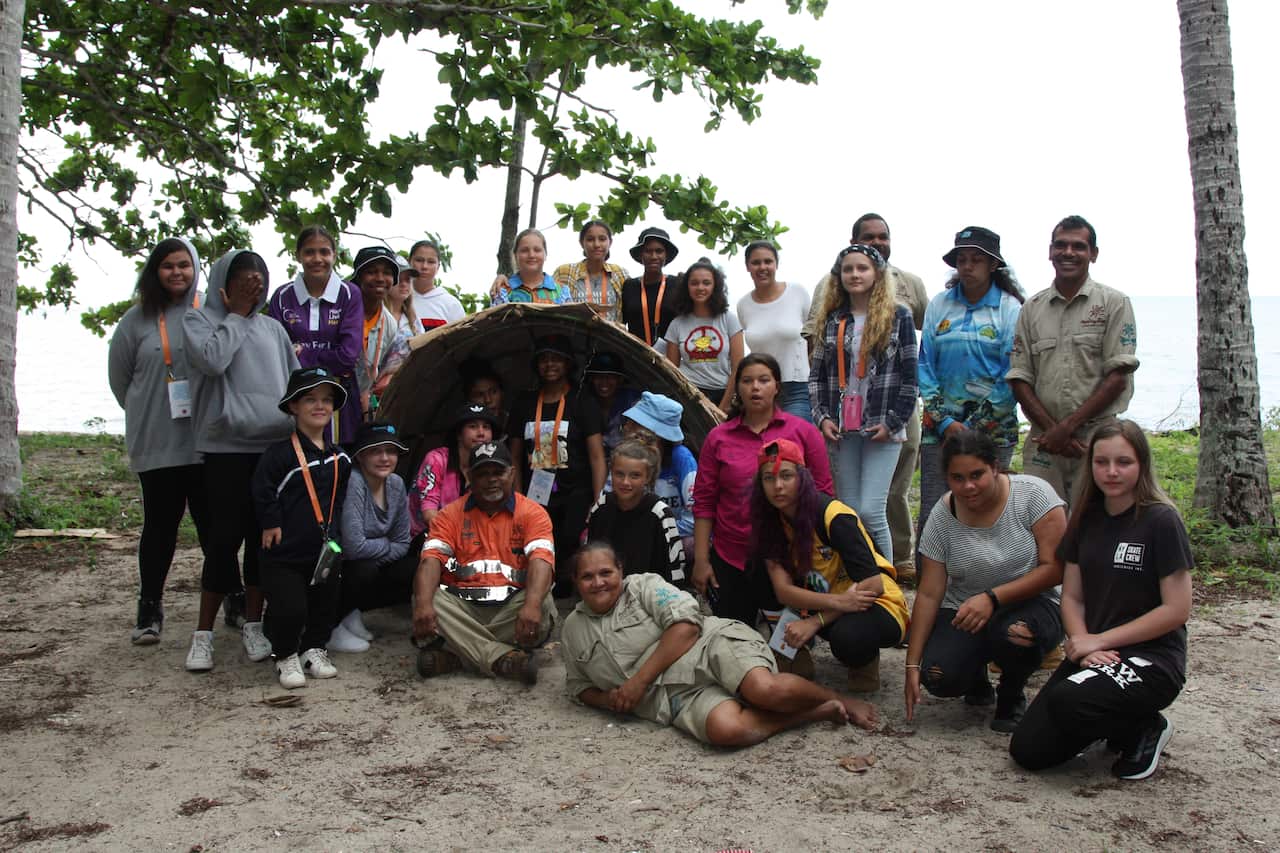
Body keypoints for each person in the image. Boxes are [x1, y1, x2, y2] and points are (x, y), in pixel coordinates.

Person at [1009, 421, 1192, 779]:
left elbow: (1176, 609)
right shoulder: (1084, 518)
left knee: (1069, 701)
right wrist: (1082, 644)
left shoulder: (1161, 520)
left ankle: (1144, 727)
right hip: (1094, 650)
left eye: (1123, 462)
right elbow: (1073, 597)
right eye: (1101, 461)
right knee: (1028, 750)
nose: (1111, 472)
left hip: (1151, 658)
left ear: (1142, 464)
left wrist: (1101, 640)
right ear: (1090, 465)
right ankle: (1109, 714)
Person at [561, 542, 879, 746]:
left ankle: (839, 699)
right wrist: (609, 699)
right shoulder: (573, 629)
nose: (598, 582)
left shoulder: (644, 586)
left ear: (621, 571)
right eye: (587, 577)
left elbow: (687, 628)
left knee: (764, 691)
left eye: (606, 572)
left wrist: (636, 683)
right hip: (671, 694)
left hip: (709, 647)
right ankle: (815, 712)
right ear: (576, 582)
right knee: (727, 731)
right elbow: (578, 686)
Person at [904, 431, 1067, 733]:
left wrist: (993, 598)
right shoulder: (942, 515)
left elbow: (1055, 569)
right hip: (966, 606)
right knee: (938, 676)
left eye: (977, 474)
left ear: (995, 467)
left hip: (1032, 602)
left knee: (1016, 635)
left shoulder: (1034, 495)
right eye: (957, 478)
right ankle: (976, 679)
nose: (968, 486)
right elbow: (929, 592)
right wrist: (911, 664)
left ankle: (1012, 693)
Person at [183, 249, 299, 672]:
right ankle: (203, 635)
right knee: (222, 541)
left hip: (269, 449)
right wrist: (236, 314)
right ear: (223, 285)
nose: (254, 288)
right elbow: (212, 361)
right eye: (244, 281)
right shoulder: (199, 321)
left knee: (261, 540)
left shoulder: (273, 330)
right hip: (224, 450)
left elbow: (294, 385)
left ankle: (254, 623)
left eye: (259, 282)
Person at [803, 214, 930, 581]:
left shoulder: (898, 316)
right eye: (848, 269)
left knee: (873, 509)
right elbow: (818, 375)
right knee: (848, 509)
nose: (855, 275)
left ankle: (885, 582)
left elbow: (911, 375)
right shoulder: (832, 320)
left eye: (862, 268)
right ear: (839, 276)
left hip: (882, 425)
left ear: (877, 273)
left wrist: (894, 422)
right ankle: (856, 578)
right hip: (843, 427)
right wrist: (821, 416)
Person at [107, 237, 211, 645]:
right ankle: (149, 607)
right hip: (158, 440)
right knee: (160, 528)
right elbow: (120, 380)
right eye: (168, 266)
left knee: (213, 527)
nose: (177, 273)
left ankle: (234, 597)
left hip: (205, 441)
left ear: (196, 268)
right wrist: (145, 411)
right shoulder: (135, 320)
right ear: (155, 270)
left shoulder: (209, 312)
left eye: (184, 265)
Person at [751, 439, 909, 692]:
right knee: (753, 566)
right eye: (768, 478)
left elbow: (873, 585)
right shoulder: (769, 521)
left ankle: (863, 663)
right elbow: (783, 591)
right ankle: (792, 647)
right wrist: (838, 603)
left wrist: (815, 622)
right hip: (832, 599)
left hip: (876, 603)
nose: (777, 486)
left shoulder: (834, 516)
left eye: (786, 476)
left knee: (849, 639)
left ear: (802, 477)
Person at [691, 354, 832, 625]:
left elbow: (823, 494)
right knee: (732, 642)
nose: (755, 387)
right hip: (731, 555)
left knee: (789, 649)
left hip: (788, 555)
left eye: (763, 380)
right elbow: (704, 502)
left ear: (777, 386)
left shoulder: (803, 432)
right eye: (747, 381)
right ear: (737, 388)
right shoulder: (718, 437)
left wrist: (813, 556)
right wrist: (701, 560)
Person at [1008, 215, 1140, 504]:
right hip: (1044, 444)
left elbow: (1118, 377)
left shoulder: (1114, 303)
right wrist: (1053, 432)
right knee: (1041, 524)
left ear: (1093, 254)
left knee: (1095, 521)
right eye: (1061, 245)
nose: (1068, 253)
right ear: (1050, 251)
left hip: (1096, 440)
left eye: (1078, 246)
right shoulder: (1031, 308)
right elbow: (1020, 377)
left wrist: (1066, 429)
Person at [413, 441, 557, 684]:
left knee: (542, 603)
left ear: (511, 473)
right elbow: (430, 561)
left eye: (498, 472)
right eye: (482, 473)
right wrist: (424, 605)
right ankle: (502, 658)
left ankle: (457, 654)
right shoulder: (449, 515)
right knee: (428, 599)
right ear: (469, 476)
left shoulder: (533, 513)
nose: (491, 480)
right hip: (464, 609)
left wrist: (531, 605)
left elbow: (542, 560)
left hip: (512, 610)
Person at [916, 226, 1024, 548]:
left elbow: (1012, 372)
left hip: (993, 430)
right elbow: (925, 365)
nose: (967, 266)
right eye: (961, 259)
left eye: (977, 259)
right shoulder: (939, 305)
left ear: (993, 265)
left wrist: (973, 429)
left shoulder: (1010, 309)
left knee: (989, 507)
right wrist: (946, 422)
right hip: (940, 430)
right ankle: (931, 588)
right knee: (935, 510)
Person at [252, 368, 353, 688]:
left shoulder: (341, 458)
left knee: (324, 605)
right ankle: (285, 655)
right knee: (290, 608)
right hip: (285, 552)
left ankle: (314, 649)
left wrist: (335, 534)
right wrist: (270, 521)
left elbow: (338, 501)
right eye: (310, 399)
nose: (320, 406)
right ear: (293, 407)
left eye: (326, 400)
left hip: (324, 549)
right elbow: (262, 489)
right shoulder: (279, 455)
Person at [508, 335, 606, 596]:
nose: (549, 364)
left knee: (570, 539)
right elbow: (515, 456)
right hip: (535, 489)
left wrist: (598, 500)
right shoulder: (524, 403)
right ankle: (542, 586)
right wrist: (517, 498)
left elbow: (596, 455)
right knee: (540, 540)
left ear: (568, 363)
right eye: (543, 359)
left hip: (576, 489)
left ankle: (566, 585)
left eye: (556, 359)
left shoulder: (582, 401)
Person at [267, 226, 364, 445]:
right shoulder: (282, 297)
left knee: (336, 462)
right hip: (295, 397)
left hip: (338, 397)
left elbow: (348, 356)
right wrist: (327, 354)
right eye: (309, 252)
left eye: (324, 252)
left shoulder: (349, 294)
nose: (317, 259)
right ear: (298, 255)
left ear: (334, 254)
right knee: (296, 460)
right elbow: (276, 355)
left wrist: (303, 353)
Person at [331, 422, 415, 654]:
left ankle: (352, 611)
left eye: (391, 451)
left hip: (372, 560)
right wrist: (387, 544)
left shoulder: (396, 484)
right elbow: (352, 547)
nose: (385, 458)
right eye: (375, 451)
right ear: (360, 456)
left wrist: (384, 546)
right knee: (363, 568)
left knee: (414, 566)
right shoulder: (354, 482)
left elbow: (404, 541)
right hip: (344, 566)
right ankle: (331, 625)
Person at [585, 440, 685, 584]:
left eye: (635, 476)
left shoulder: (660, 513)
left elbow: (675, 569)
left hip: (650, 596)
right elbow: (590, 558)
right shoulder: (601, 506)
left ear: (648, 477)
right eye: (619, 474)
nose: (625, 482)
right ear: (611, 472)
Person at [735, 241, 811, 419]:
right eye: (756, 263)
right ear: (747, 267)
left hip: (796, 387)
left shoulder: (797, 293)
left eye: (768, 262)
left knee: (793, 443)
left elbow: (814, 337)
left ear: (776, 264)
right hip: (760, 390)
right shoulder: (743, 305)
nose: (762, 267)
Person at [663, 257, 744, 413]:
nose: (700, 287)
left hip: (722, 392)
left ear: (715, 286)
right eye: (694, 283)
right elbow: (672, 371)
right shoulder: (676, 324)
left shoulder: (729, 319)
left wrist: (724, 406)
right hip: (689, 396)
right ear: (687, 287)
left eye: (706, 283)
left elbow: (738, 368)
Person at [620, 392, 697, 554]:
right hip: (634, 531)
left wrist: (654, 532)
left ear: (654, 433)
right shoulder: (625, 455)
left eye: (634, 423)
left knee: (691, 545)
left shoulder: (682, 459)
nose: (627, 427)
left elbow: (693, 519)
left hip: (675, 535)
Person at [407, 402, 498, 538]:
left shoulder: (489, 465)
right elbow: (429, 514)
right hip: (423, 537)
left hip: (466, 537)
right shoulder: (437, 459)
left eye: (486, 427)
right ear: (459, 434)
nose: (481, 433)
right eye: (473, 427)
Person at [352, 246, 410, 418]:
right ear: (358, 276)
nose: (380, 278)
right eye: (371, 272)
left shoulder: (389, 324)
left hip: (360, 405)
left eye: (387, 273)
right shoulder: (342, 311)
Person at [620, 227, 682, 350]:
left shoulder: (677, 285)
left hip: (671, 358)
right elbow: (621, 322)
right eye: (648, 251)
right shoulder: (629, 286)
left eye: (659, 251)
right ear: (640, 255)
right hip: (636, 357)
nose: (654, 256)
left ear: (666, 255)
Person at [584, 351, 640, 459]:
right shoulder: (584, 401)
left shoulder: (633, 401)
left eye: (610, 377)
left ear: (620, 379)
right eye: (599, 377)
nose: (604, 382)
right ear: (591, 379)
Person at [492, 228, 568, 305]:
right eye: (524, 250)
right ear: (515, 255)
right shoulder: (502, 291)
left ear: (545, 255)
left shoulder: (562, 291)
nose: (531, 255)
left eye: (537, 250)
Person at [408, 239, 465, 332]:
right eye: (419, 260)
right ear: (409, 261)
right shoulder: (397, 299)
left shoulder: (451, 305)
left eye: (431, 262)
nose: (424, 266)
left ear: (438, 266)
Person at [384, 256, 419, 337]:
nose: (404, 284)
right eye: (398, 279)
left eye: (407, 280)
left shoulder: (413, 318)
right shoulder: (378, 314)